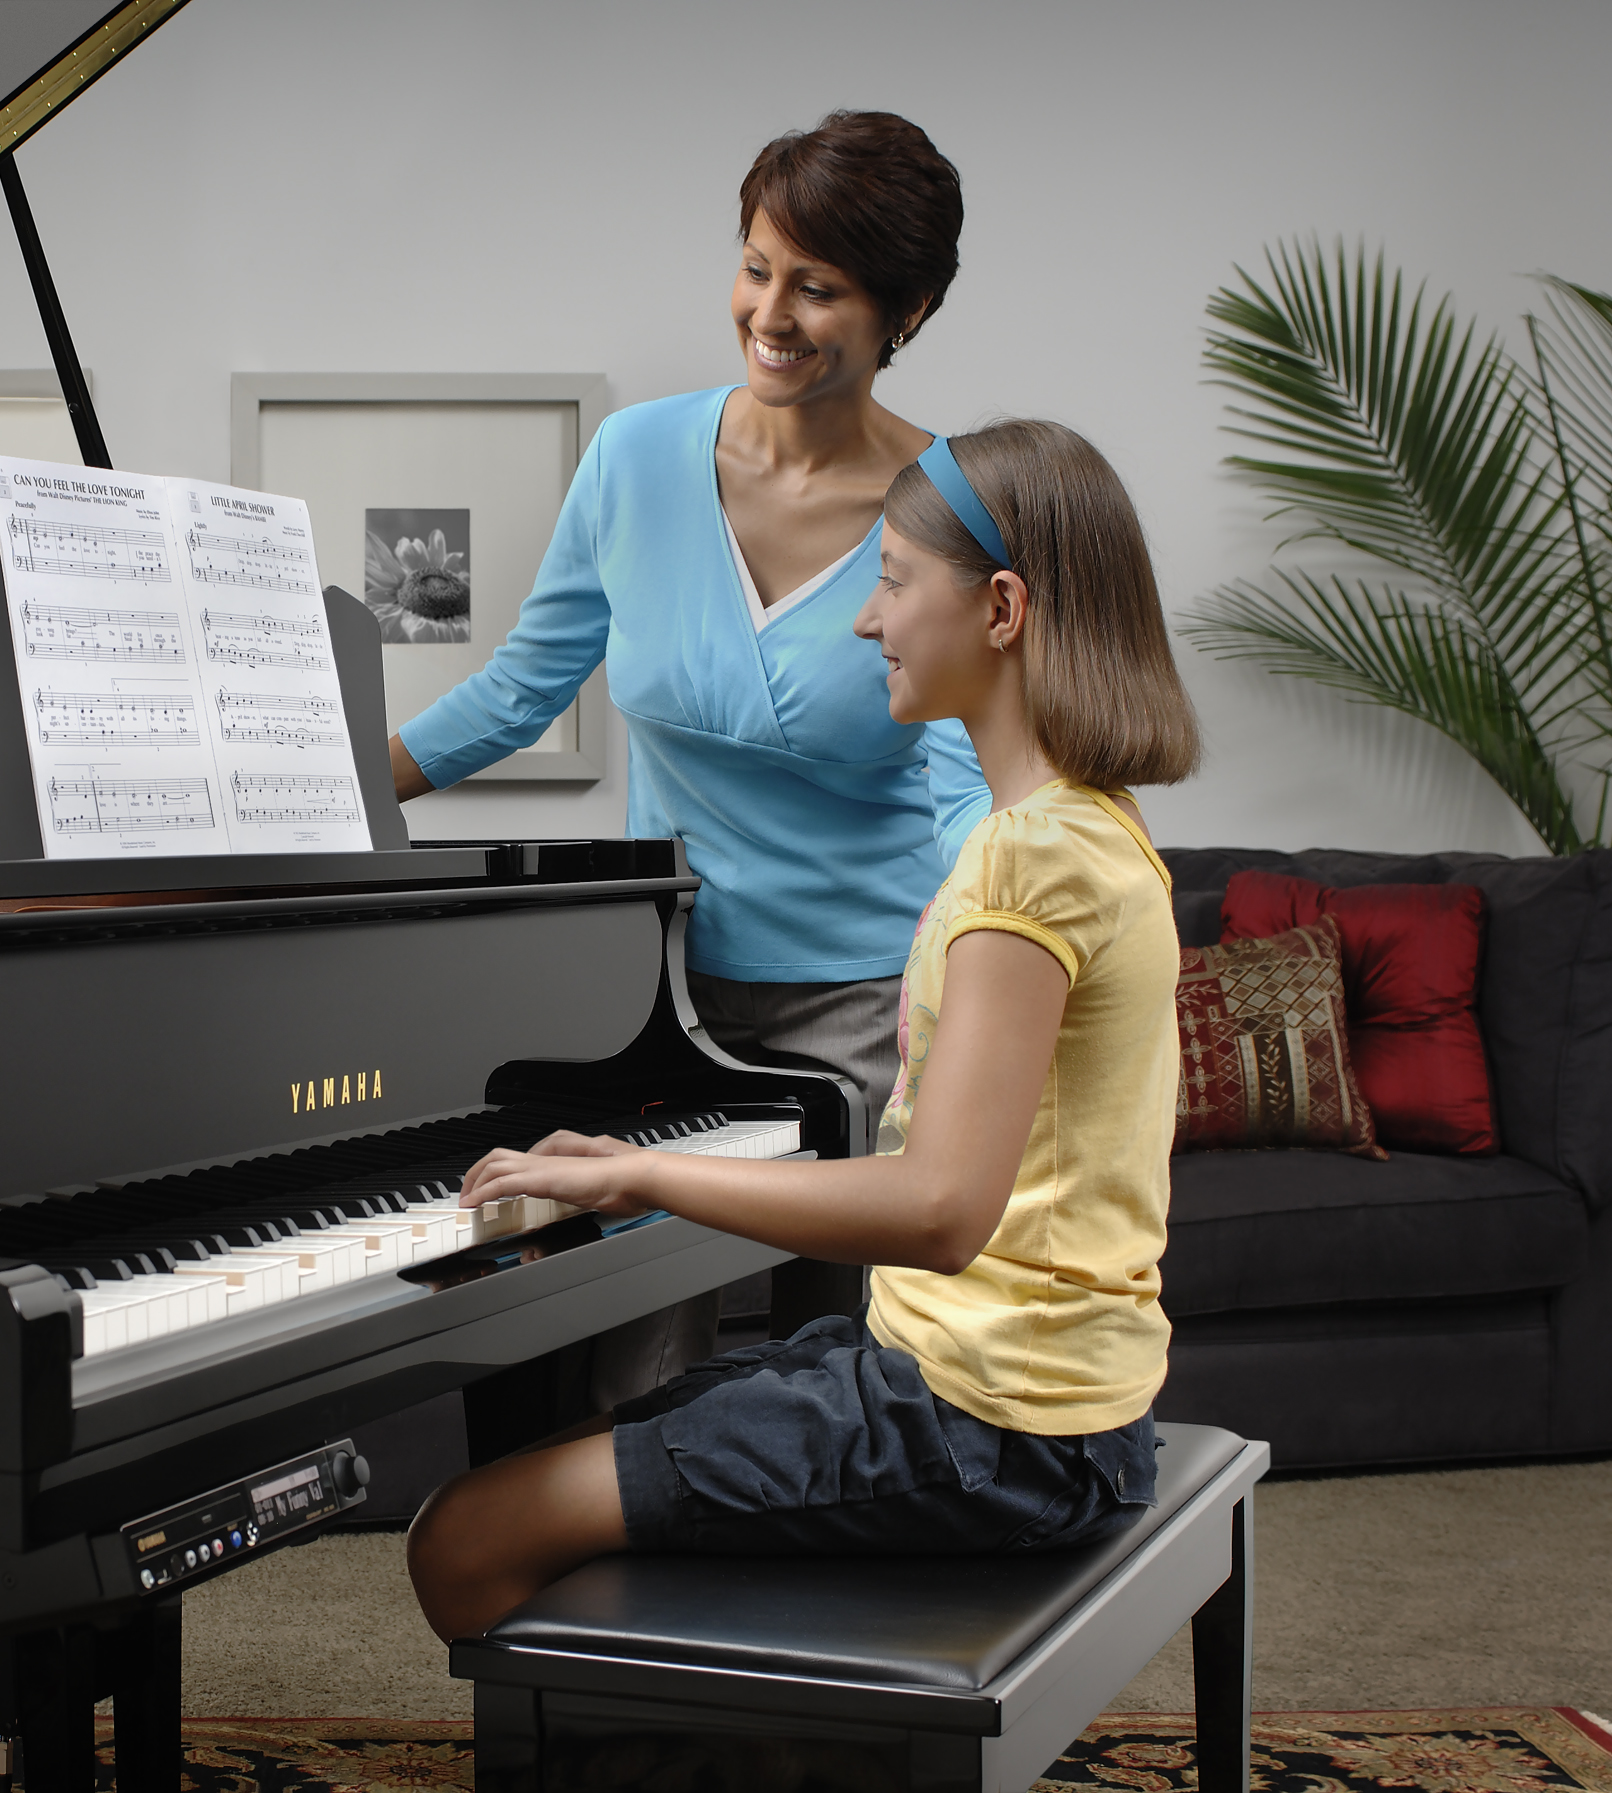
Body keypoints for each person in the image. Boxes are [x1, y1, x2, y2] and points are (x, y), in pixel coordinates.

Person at [403, 419, 1201, 1644]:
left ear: (1001, 607)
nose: (866, 621)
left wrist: (637, 1169)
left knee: (463, 1536)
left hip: (994, 1430)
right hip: (1049, 1403)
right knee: (600, 1439)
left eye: (890, 581)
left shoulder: (1025, 867)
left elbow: (939, 1210)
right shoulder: (1093, 826)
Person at [388, 111, 987, 1362]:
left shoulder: (955, 504)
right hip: (655, 988)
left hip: (866, 1004)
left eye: (817, 288)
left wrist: (1007, 957)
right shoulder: (634, 457)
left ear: (907, 312)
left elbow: (966, 785)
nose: (771, 311)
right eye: (758, 266)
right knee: (622, 1347)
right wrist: (318, 791)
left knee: (849, 1365)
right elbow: (517, 690)